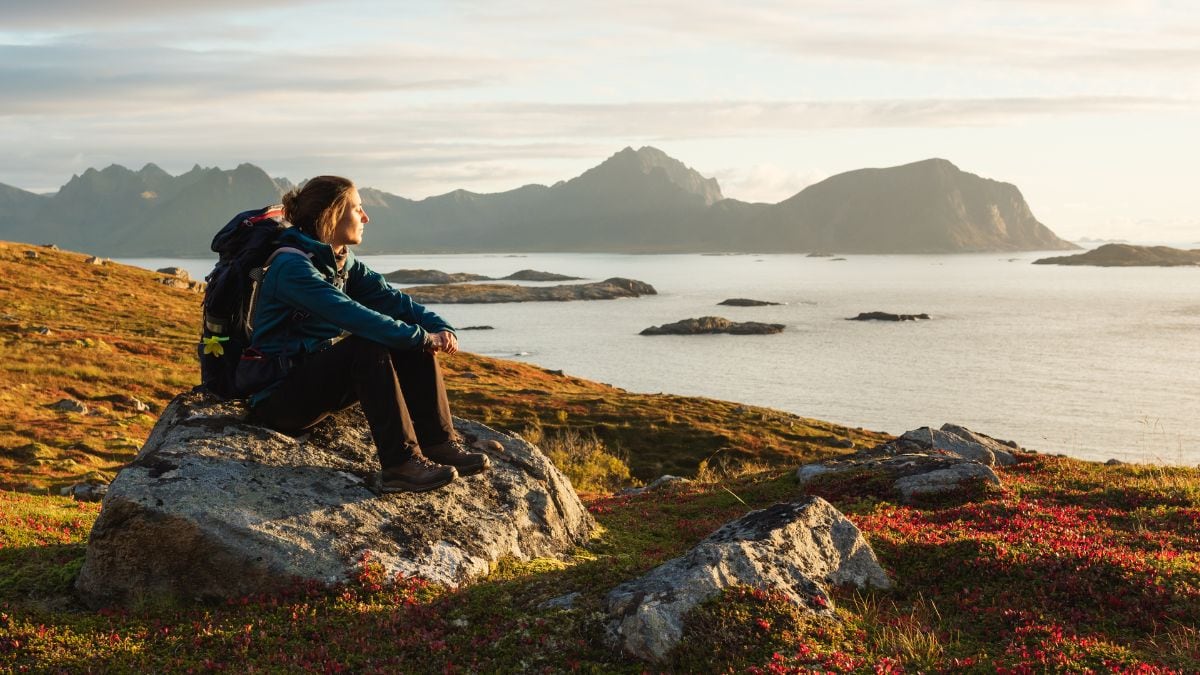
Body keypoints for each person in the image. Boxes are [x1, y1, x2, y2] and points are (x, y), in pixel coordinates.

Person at [237, 175, 489, 493]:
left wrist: (438, 327)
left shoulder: (340, 261)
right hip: (279, 401)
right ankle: (401, 465)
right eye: (357, 209)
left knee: (409, 342)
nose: (365, 217)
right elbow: (354, 316)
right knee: (369, 345)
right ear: (331, 214)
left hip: (315, 384)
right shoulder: (292, 268)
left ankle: (438, 444)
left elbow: (392, 300)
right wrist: (422, 337)